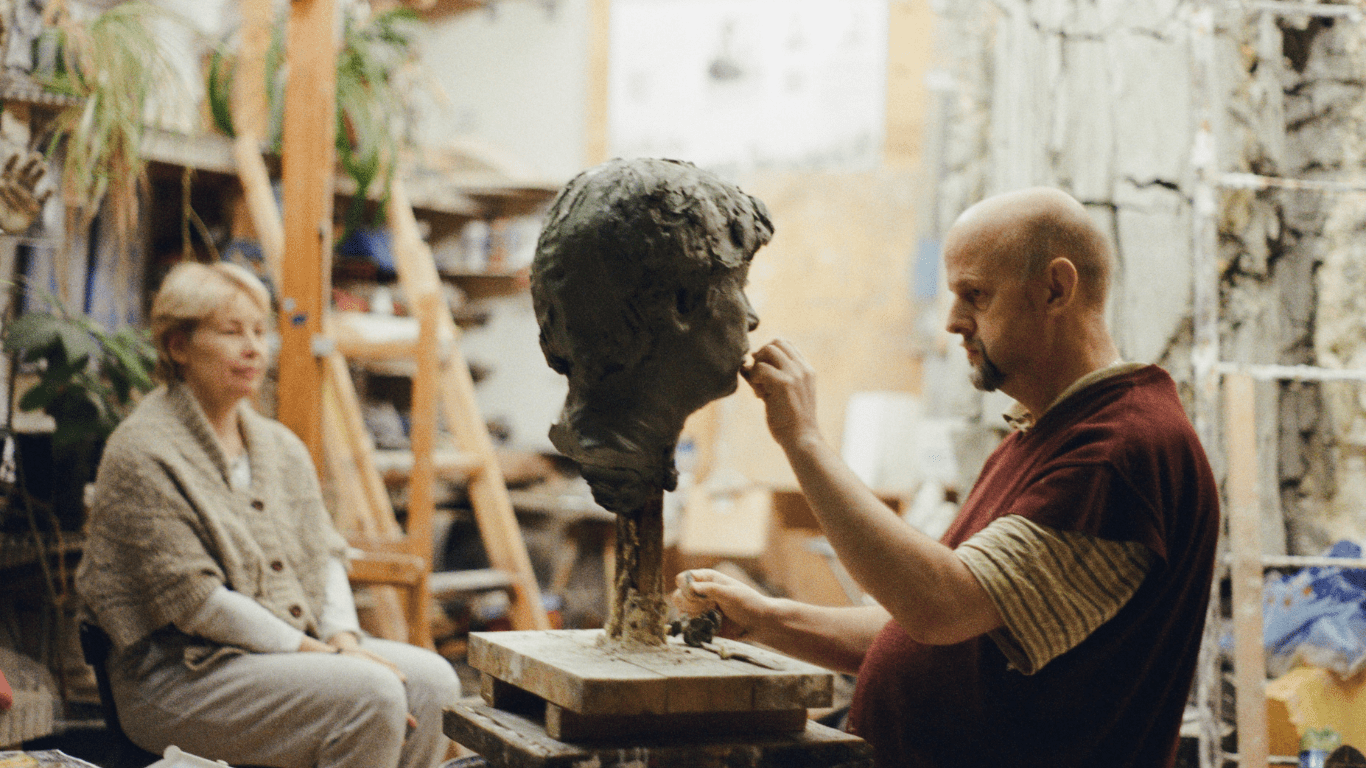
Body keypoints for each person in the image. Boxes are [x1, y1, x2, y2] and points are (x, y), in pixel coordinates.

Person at [674, 187, 1220, 767]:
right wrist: (766, 619)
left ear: (1057, 289)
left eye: (975, 295)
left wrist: (803, 440)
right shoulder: (1039, 434)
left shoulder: (1120, 451)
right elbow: (934, 628)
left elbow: (943, 606)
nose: (955, 321)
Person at [75, 262, 461, 768]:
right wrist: (325, 657)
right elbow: (199, 605)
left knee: (437, 685)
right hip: (177, 676)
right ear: (178, 347)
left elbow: (322, 556)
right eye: (232, 332)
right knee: (371, 693)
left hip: (284, 651)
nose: (255, 348)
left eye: (260, 331)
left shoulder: (278, 447)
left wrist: (343, 640)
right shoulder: (143, 450)